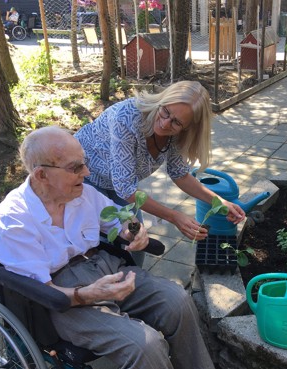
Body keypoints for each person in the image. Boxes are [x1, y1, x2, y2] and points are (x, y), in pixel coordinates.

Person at [0, 126, 231, 369]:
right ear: (41, 174)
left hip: (104, 267)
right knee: (145, 345)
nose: (88, 173)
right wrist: (86, 295)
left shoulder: (83, 194)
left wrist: (136, 232)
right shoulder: (13, 220)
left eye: (84, 162)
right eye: (76, 167)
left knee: (178, 300)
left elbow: (123, 222)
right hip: (61, 297)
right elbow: (42, 291)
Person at [74, 81, 246, 258]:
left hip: (117, 184)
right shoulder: (126, 117)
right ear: (161, 101)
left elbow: (180, 174)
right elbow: (125, 188)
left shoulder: (178, 135)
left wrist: (220, 202)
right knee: (99, 245)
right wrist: (174, 217)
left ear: (188, 128)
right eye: (165, 112)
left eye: (176, 122)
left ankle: (132, 282)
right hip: (82, 178)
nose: (165, 124)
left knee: (137, 245)